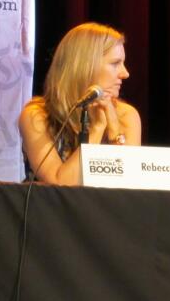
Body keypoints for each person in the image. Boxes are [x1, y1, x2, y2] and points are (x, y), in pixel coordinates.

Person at [19, 22, 141, 185]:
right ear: (85, 66)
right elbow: (61, 183)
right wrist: (96, 129)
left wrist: (113, 129)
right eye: (115, 63)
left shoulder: (127, 115)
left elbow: (130, 184)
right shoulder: (37, 115)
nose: (125, 73)